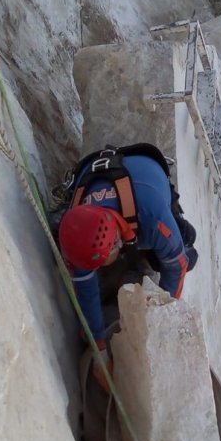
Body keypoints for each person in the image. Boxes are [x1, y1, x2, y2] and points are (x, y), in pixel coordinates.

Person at [58, 148, 193, 389]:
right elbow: (86, 291)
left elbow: (177, 267)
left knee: (186, 250)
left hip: (147, 175)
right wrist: (100, 352)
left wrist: (161, 319)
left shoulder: (153, 217)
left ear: (116, 244)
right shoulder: (79, 233)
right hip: (99, 173)